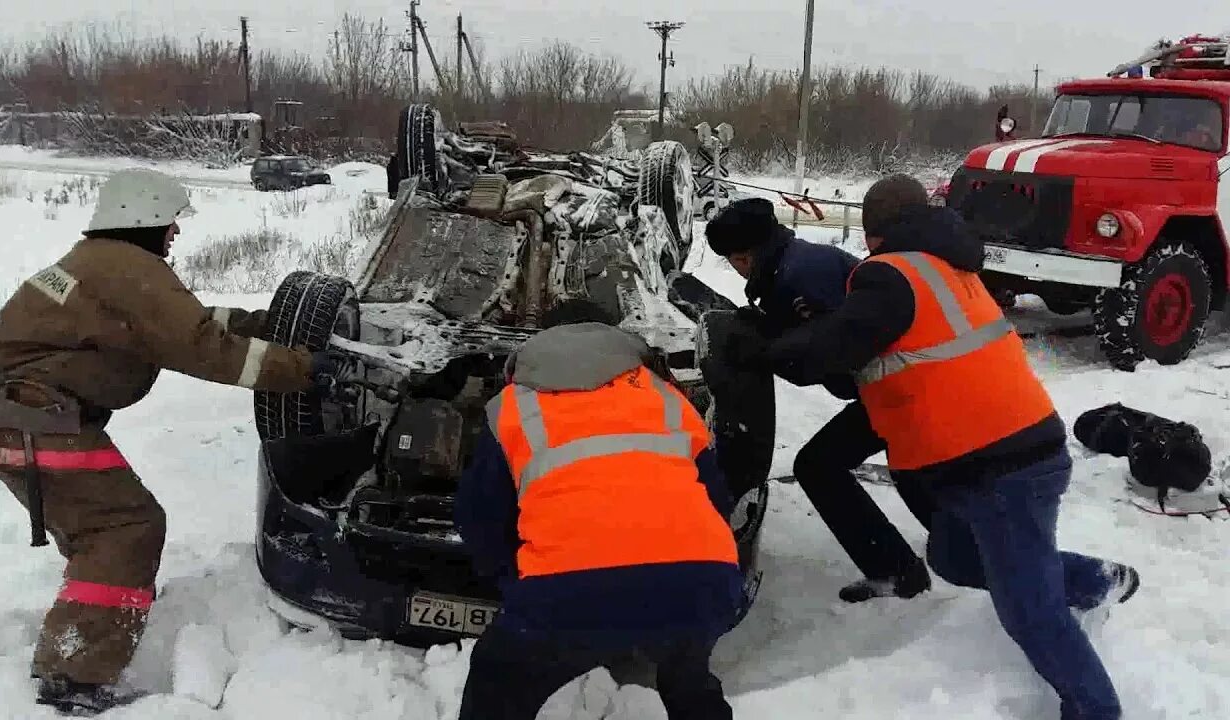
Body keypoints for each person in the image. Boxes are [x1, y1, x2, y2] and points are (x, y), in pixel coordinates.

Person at [732, 173, 1140, 720]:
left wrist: (759, 351)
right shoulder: (942, 265)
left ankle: (1096, 710)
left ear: (874, 234)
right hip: (981, 454)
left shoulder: (891, 274)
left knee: (1029, 613)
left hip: (1005, 462)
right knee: (954, 556)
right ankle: (1099, 579)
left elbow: (829, 347)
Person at [0, 168, 337, 716]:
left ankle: (80, 646)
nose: (175, 233)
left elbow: (179, 324)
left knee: (108, 532)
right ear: (145, 216)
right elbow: (202, 346)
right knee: (123, 529)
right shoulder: (126, 270)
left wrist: (266, 323)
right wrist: (305, 370)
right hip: (33, 421)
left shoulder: (105, 265)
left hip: (20, 416)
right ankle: (73, 680)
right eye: (172, 223)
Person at [453, 322, 742, 720]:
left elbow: (479, 517)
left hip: (567, 590)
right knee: (687, 670)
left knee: (496, 676)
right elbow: (717, 499)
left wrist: (515, 582)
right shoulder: (667, 397)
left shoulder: (511, 407)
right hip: (703, 579)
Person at [703, 197, 934, 603]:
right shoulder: (790, 265)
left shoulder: (802, 275)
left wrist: (768, 349)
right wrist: (772, 332)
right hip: (894, 387)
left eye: (733, 259)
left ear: (747, 254)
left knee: (823, 466)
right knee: (896, 466)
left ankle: (925, 564)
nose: (734, 269)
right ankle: (927, 559)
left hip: (902, 388)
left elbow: (833, 353)